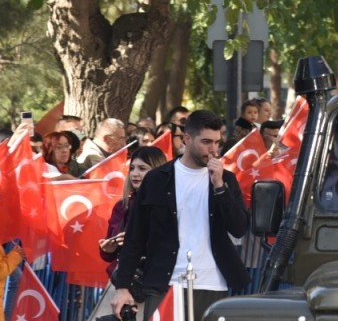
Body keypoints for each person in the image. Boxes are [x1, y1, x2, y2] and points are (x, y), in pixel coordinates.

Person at [109, 110, 250, 321]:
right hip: (163, 283)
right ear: (187, 139)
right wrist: (122, 286)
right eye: (206, 142)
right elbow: (135, 236)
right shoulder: (157, 179)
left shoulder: (226, 179)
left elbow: (239, 227)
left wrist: (220, 187)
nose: (213, 149)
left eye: (217, 142)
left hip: (211, 282)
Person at [99, 146, 168, 279]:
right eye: (132, 168)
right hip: (122, 280)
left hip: (157, 280)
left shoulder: (170, 204)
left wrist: (136, 242)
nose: (134, 173)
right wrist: (108, 249)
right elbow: (108, 255)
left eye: (142, 168)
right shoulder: (122, 205)